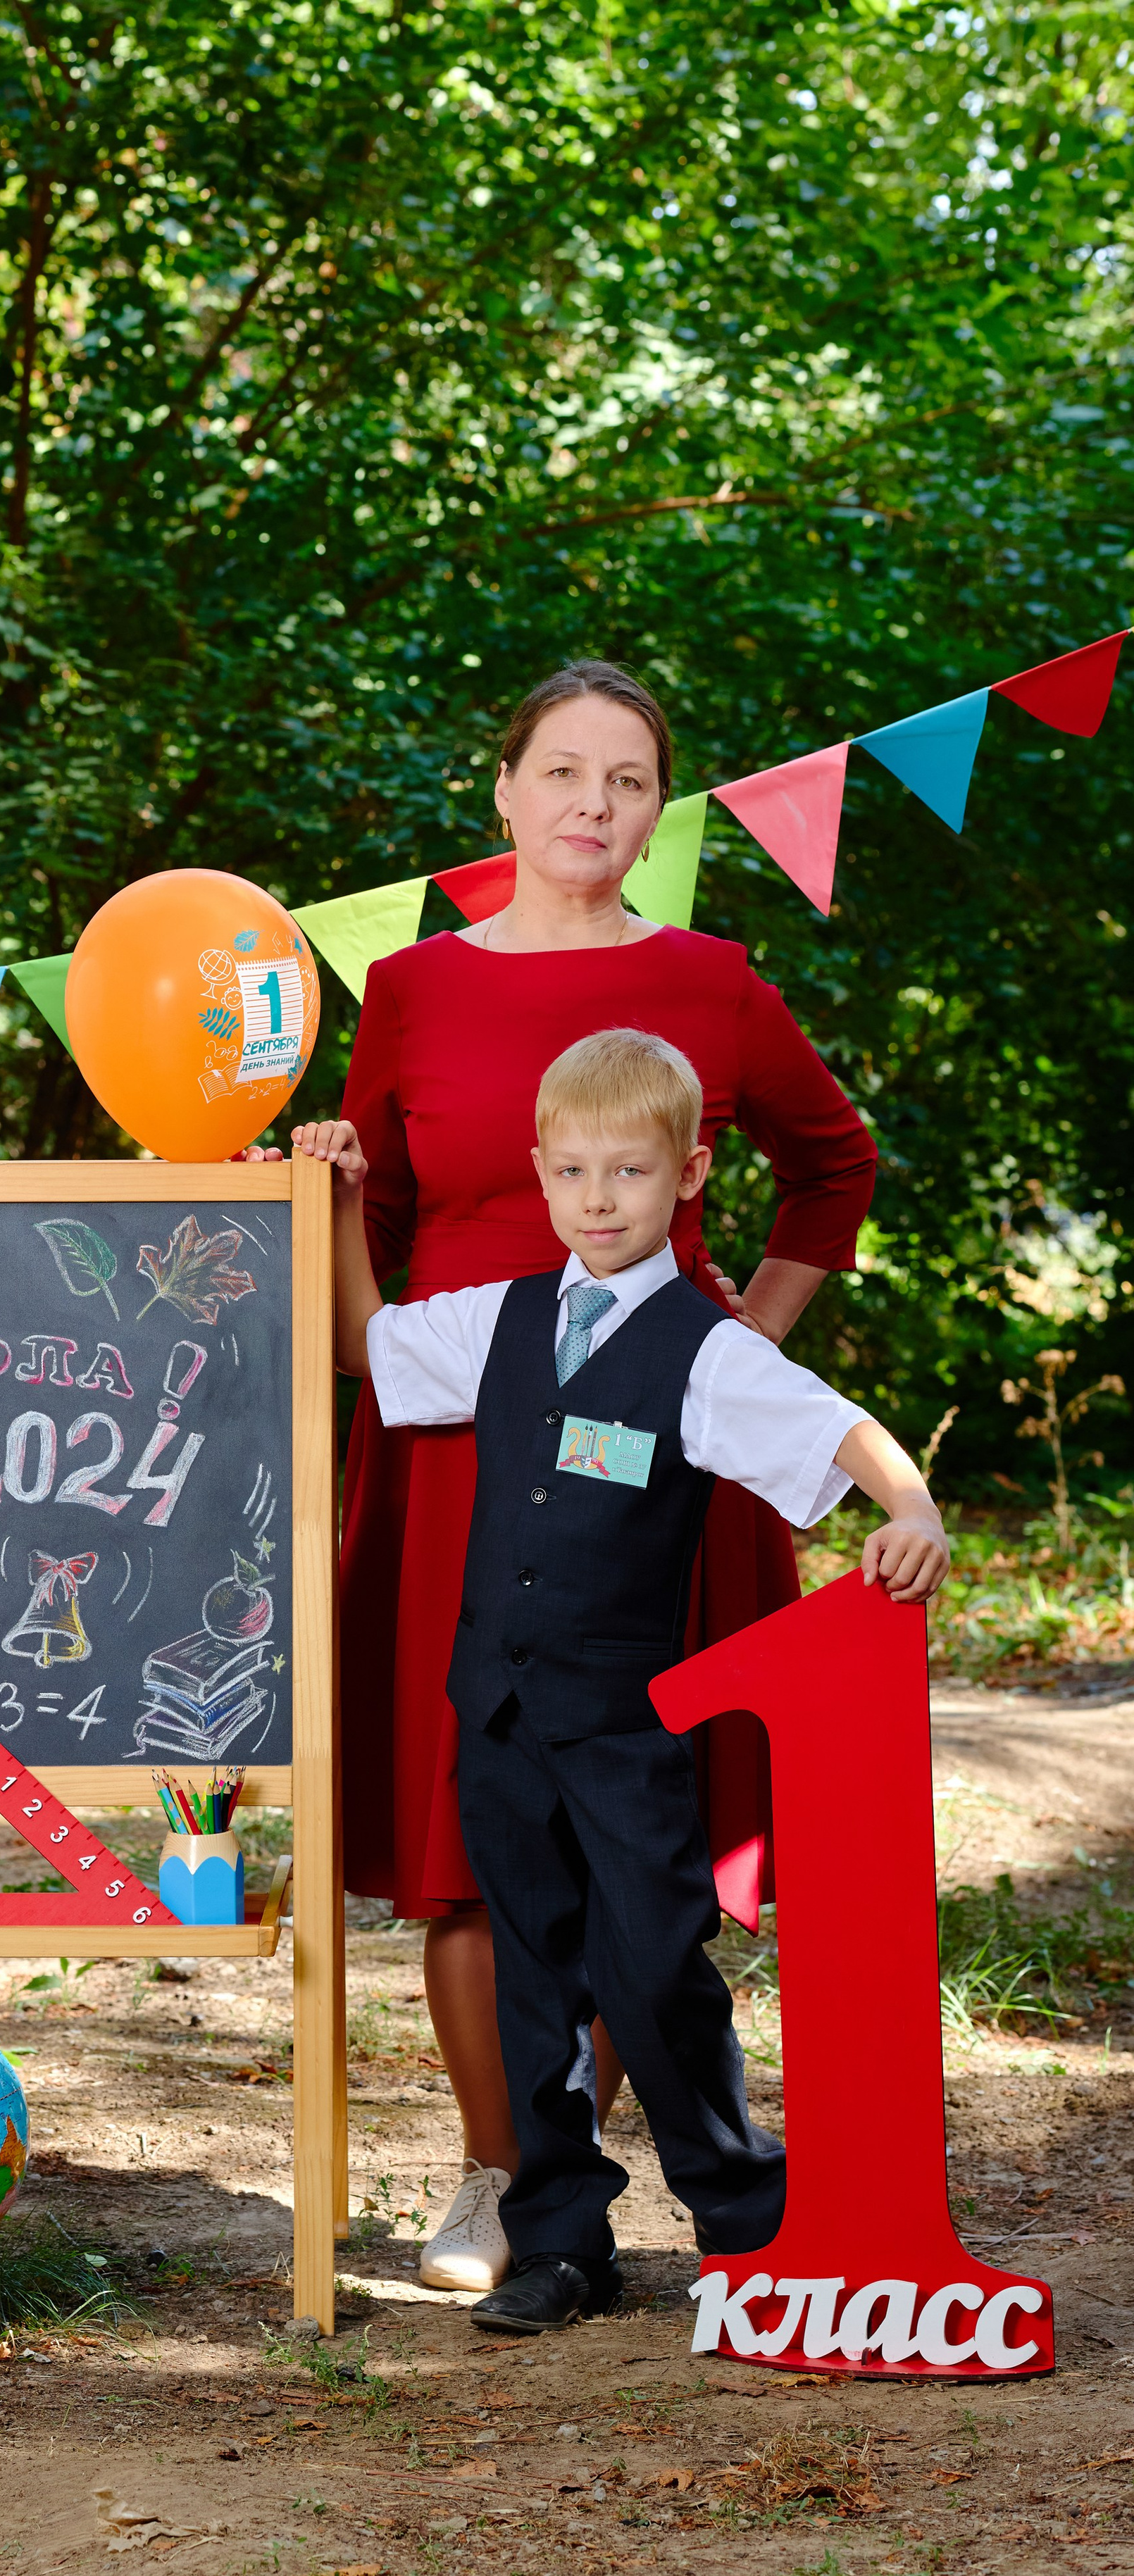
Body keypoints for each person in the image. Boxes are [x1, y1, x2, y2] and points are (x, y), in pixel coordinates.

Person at [328, 660, 878, 2296]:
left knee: (633, 1828)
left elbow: (830, 1163)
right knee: (467, 1820)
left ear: (656, 810)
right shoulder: (409, 989)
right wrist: (320, 1192)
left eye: (626, 780)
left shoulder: (708, 982)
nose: (590, 804)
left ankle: (613, 2168)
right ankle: (502, 2179)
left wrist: (738, 1345)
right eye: (560, 772)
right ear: (501, 792)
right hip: (455, 1441)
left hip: (654, 1462)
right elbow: (367, 1215)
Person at [296, 1030, 948, 2331]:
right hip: (499, 1715)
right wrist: (348, 1201)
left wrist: (913, 1504)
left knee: (652, 1969)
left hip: (625, 1728)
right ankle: (560, 2240)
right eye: (575, 1172)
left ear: (688, 1175)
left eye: (632, 1172)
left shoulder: (706, 1351)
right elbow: (365, 1344)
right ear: (540, 1172)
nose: (600, 1200)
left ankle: (752, 2221)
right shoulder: (498, 1319)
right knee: (533, 1975)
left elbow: (836, 1427)